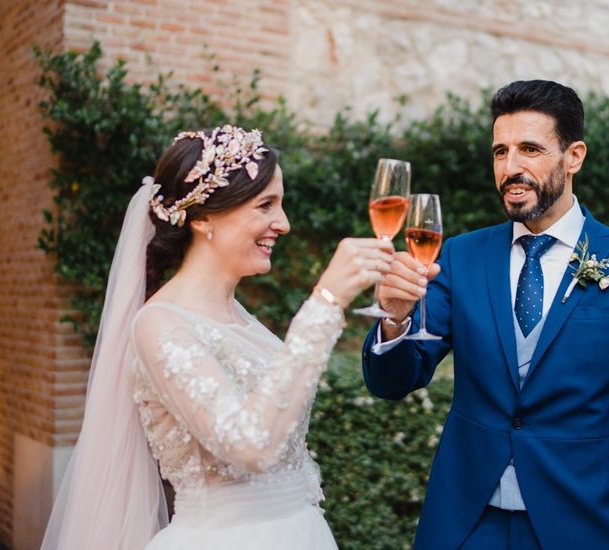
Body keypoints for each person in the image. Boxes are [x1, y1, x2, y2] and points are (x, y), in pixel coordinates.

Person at [361, 80, 609, 549]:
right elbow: (392, 382)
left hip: (578, 526)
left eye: (529, 149)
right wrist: (394, 320)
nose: (510, 168)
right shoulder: (460, 256)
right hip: (464, 525)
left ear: (574, 156)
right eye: (500, 152)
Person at [41, 125, 393, 550]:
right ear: (203, 217)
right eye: (266, 205)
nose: (283, 224)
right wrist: (325, 301)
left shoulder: (242, 319)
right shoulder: (160, 325)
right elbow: (250, 445)